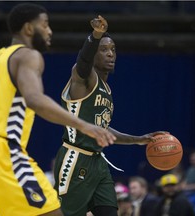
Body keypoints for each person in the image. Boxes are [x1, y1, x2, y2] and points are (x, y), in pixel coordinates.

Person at [0, 4, 117, 216]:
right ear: (28, 28)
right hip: (2, 149)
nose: (49, 31)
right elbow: (34, 99)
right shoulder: (28, 56)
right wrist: (83, 125)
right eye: (44, 25)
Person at [53, 15, 167, 216]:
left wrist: (138, 140)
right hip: (76, 157)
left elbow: (103, 130)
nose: (110, 54)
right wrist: (95, 36)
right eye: (103, 49)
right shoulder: (83, 78)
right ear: (94, 53)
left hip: (98, 162)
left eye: (113, 49)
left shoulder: (106, 89)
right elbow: (83, 61)